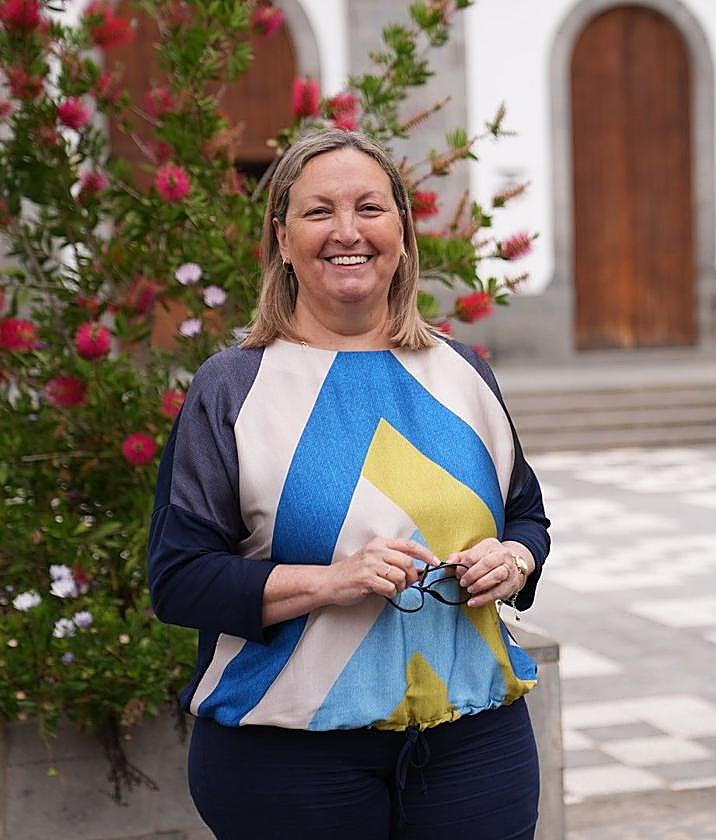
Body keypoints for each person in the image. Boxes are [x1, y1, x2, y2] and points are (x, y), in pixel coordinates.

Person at [147, 128, 550, 840]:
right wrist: (334, 582)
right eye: (318, 211)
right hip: (289, 761)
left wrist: (513, 559)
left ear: (401, 228)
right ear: (281, 237)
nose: (347, 232)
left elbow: (525, 518)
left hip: (476, 747)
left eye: (369, 208)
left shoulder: (463, 372)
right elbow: (180, 579)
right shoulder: (233, 387)